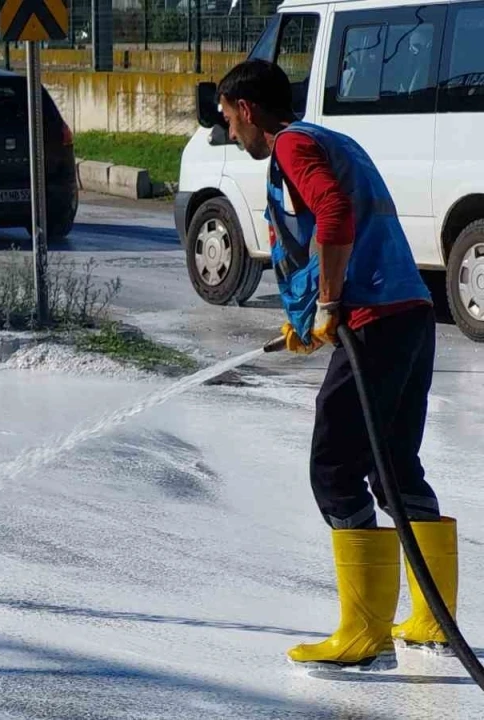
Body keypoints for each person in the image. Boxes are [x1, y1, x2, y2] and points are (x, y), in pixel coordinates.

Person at [216, 59, 458, 670]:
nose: (227, 132)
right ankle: (431, 619)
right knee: (395, 463)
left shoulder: (293, 146)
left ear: (247, 109)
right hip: (408, 312)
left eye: (226, 117)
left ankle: (363, 634)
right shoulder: (329, 137)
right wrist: (309, 317)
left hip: (375, 320)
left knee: (333, 465)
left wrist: (328, 302)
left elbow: (333, 214)